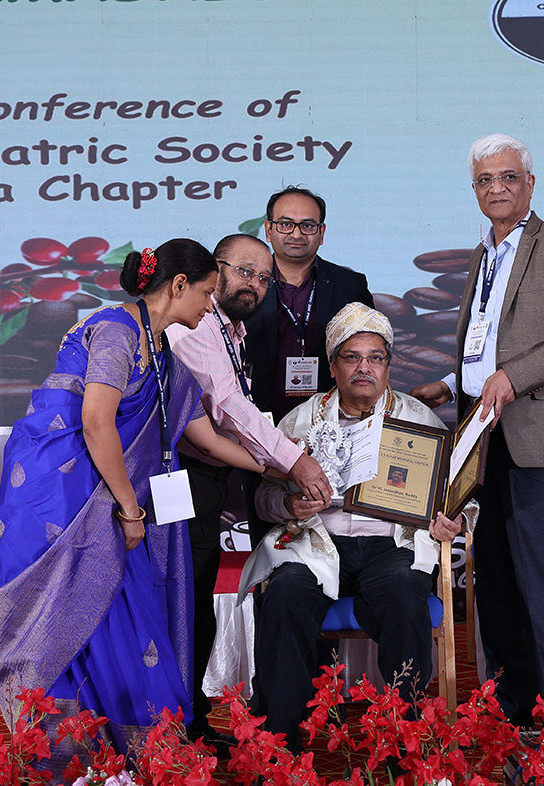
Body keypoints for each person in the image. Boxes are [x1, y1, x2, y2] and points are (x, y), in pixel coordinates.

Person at [0, 239, 269, 762]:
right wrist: (131, 511)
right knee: (71, 612)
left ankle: (126, 750)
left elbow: (206, 439)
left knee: (124, 616)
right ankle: (71, 753)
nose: (211, 306)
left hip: (116, 501)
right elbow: (96, 422)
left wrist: (278, 466)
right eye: (206, 293)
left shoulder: (165, 355)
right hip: (66, 499)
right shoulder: (117, 331)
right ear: (178, 286)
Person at [411, 134, 544, 727]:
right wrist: (452, 384)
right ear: (474, 189)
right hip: (479, 432)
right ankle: (512, 710)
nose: (496, 188)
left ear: (530, 182)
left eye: (507, 177)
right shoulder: (484, 253)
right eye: (484, 180)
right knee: (494, 578)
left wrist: (514, 378)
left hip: (539, 432)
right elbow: (488, 344)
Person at [241, 302, 471, 752]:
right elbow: (264, 497)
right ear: (332, 366)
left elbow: (458, 494)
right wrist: (289, 503)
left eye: (375, 358)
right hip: (316, 544)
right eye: (351, 357)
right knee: (283, 595)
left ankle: (407, 744)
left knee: (405, 595)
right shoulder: (301, 420)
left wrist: (454, 519)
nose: (364, 368)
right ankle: (279, 748)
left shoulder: (418, 419)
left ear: (388, 366)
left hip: (391, 547)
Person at [163, 232, 333, 751]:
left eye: (264, 278)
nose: (254, 284)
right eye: (244, 271)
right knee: (181, 605)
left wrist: (279, 457)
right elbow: (228, 406)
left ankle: (187, 723)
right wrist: (291, 461)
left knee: (194, 602)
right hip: (178, 480)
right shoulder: (194, 326)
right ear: (214, 271)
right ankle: (174, 727)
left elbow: (235, 414)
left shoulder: (229, 328)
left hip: (209, 481)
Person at [243, 186, 375, 544]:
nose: (297, 234)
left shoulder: (349, 284)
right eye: (285, 224)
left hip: (332, 426)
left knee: (328, 530)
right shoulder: (244, 284)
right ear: (268, 229)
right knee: (266, 530)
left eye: (308, 225)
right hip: (261, 423)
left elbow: (368, 348)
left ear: (322, 231)